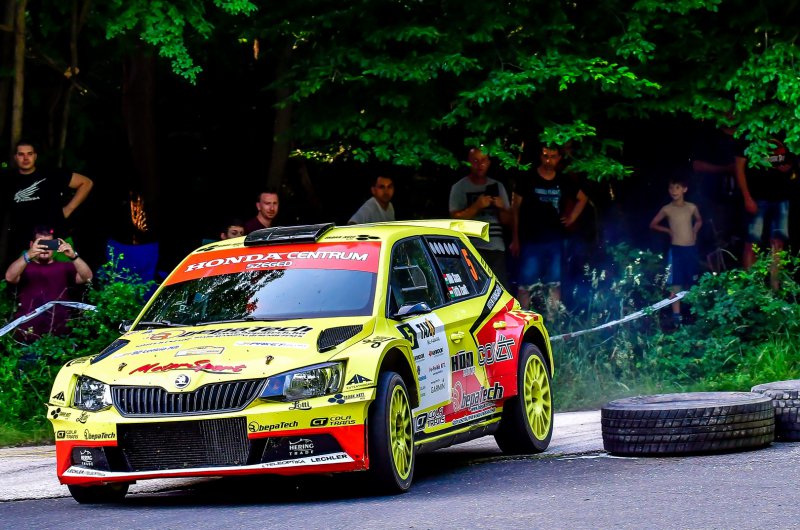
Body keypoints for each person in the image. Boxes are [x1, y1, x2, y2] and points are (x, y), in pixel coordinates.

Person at [511, 145, 588, 310]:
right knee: (526, 284)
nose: (549, 160)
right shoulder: (528, 178)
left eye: (553, 157)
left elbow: (582, 198)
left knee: (554, 283)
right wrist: (515, 238)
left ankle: (553, 320)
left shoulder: (563, 180)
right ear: (540, 156)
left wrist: (571, 218)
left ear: (558, 158)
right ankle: (523, 318)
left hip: (555, 240)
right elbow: (515, 207)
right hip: (531, 239)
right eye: (546, 156)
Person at [2, 140, 94, 264]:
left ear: (35, 156)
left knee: (66, 274)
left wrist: (69, 209)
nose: (26, 158)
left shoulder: (51, 173)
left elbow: (86, 183)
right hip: (27, 243)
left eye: (29, 154)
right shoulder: (8, 180)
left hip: (57, 240)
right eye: (21, 154)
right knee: (25, 275)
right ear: (15, 157)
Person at [4, 225, 93, 342]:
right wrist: (29, 255)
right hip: (26, 333)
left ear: (55, 246)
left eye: (49, 244)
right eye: (41, 244)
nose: (45, 248)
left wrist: (73, 256)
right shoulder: (24, 266)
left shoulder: (64, 266)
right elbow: (9, 277)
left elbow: (87, 278)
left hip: (59, 334)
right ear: (32, 245)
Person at [449, 148, 512, 289]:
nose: (480, 164)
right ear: (469, 162)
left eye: (483, 160)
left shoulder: (498, 186)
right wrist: (476, 206)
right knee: (474, 288)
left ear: (489, 162)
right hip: (471, 248)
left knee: (499, 289)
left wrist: (502, 207)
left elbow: (507, 221)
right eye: (476, 160)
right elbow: (454, 220)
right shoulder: (459, 187)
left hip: (496, 247)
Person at [734, 139, 795, 281]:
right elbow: (739, 168)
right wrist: (747, 197)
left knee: (778, 243)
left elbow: (791, 158)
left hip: (781, 196)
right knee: (752, 242)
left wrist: (788, 166)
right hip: (757, 196)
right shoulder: (749, 135)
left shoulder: (784, 132)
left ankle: (775, 288)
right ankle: (751, 287)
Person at [649, 176, 702, 325]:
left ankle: (696, 313)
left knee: (692, 281)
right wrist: (668, 230)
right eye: (671, 188)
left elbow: (699, 220)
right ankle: (676, 316)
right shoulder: (667, 209)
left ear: (684, 189)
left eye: (677, 187)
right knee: (675, 283)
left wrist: (695, 230)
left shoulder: (691, 207)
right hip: (676, 250)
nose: (674, 191)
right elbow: (653, 224)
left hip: (690, 249)